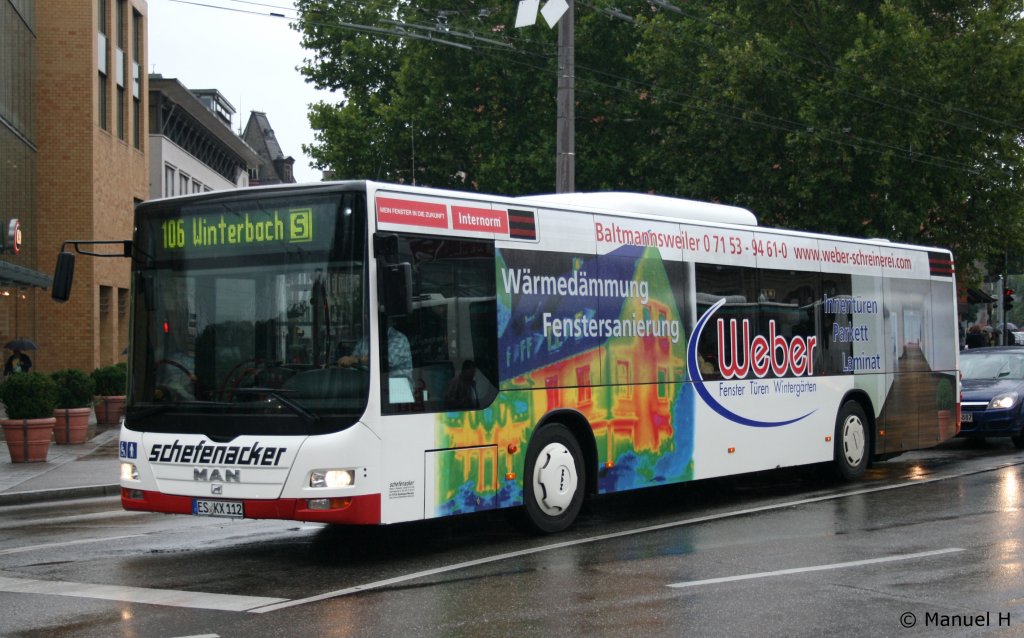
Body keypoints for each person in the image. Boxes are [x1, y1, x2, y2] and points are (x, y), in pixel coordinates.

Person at [338, 325, 412, 380]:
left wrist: (356, 360)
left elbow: (388, 360)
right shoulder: (365, 340)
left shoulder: (399, 339)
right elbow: (352, 362)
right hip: (369, 386)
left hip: (398, 388)